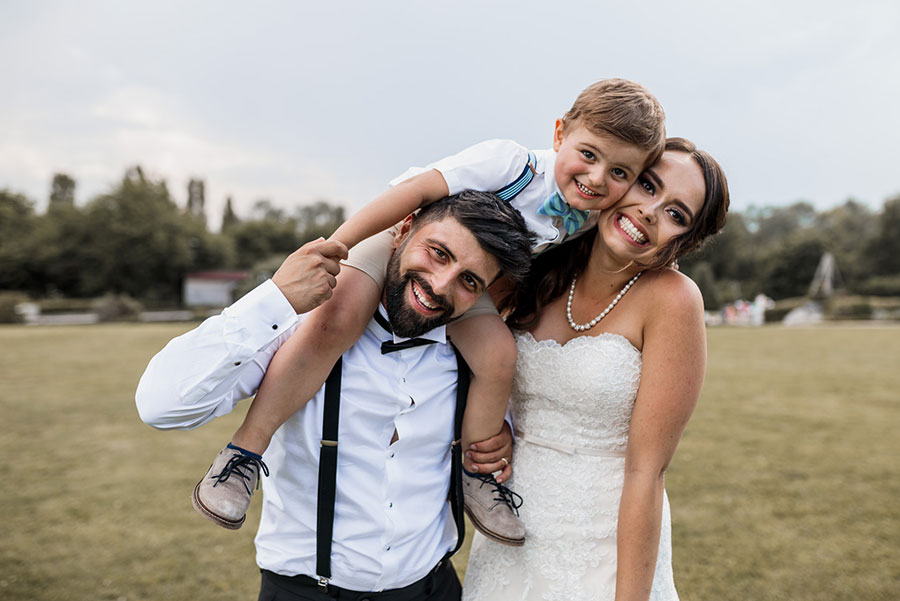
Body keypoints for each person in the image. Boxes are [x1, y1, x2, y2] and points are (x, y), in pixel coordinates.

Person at [194, 79, 667, 545]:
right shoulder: (511, 163)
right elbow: (418, 192)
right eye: (588, 154)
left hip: (465, 281)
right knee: (336, 319)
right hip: (409, 242)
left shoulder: (592, 214)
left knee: (499, 356)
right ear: (560, 132)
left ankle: (477, 476)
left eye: (620, 173)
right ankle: (242, 454)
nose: (598, 178)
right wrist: (340, 245)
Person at [136, 191, 534, 601]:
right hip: (306, 592)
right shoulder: (302, 327)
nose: (439, 285)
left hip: (435, 587)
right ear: (404, 228)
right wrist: (275, 299)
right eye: (438, 253)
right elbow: (161, 406)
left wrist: (497, 441)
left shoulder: (478, 357)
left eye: (470, 281)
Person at [462, 138, 730, 601]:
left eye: (676, 214)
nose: (650, 211)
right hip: (513, 532)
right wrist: (496, 429)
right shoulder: (539, 264)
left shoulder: (673, 300)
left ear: (684, 240)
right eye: (648, 185)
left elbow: (647, 472)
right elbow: (463, 334)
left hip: (603, 545)